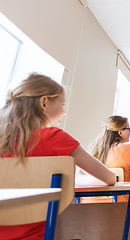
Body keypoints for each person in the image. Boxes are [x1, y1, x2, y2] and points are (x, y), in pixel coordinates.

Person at [0, 73, 116, 240]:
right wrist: (73, 179)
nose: (63, 112)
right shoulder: (55, 138)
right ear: (44, 102)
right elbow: (109, 178)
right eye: (62, 104)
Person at [92, 115, 130, 182]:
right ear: (120, 132)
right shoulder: (129, 150)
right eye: (129, 129)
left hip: (100, 192)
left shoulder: (96, 150)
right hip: (124, 192)